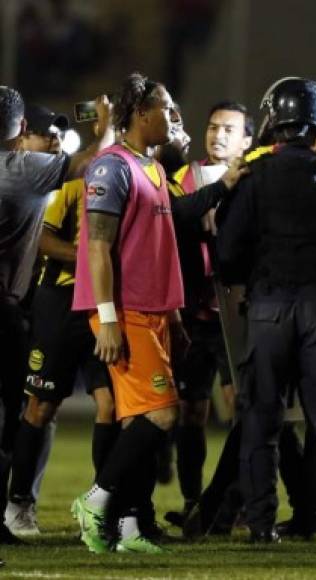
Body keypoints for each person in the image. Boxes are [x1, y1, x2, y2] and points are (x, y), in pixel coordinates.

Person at [215, 77, 316, 544]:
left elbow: (228, 250)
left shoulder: (255, 174)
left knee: (261, 418)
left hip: (268, 308)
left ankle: (260, 523)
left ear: (275, 118)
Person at [69, 73, 185, 554]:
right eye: (166, 108)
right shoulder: (111, 167)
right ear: (140, 114)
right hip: (126, 312)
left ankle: (132, 528)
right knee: (161, 414)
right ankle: (96, 502)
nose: (173, 117)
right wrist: (108, 318)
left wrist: (173, 315)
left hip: (154, 311)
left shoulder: (152, 167)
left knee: (135, 420)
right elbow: (97, 247)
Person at [0, 85, 114, 552]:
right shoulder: (23, 171)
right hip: (17, 307)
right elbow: (87, 161)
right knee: (18, 416)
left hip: (24, 305)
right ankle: (12, 509)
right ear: (22, 130)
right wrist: (105, 127)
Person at [164, 100, 253, 525]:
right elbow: (177, 224)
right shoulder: (187, 177)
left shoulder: (254, 177)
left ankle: (232, 502)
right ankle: (192, 498)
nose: (218, 135)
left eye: (228, 129)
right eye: (213, 127)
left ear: (247, 140)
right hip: (196, 313)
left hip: (236, 315)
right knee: (190, 411)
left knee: (242, 408)